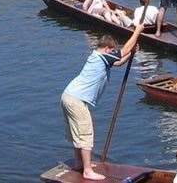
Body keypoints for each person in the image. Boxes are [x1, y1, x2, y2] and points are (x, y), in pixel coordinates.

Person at [60, 23, 145, 181]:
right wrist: (137, 31)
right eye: (113, 50)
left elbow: (119, 62)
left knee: (77, 132)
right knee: (85, 133)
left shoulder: (99, 57)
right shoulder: (101, 56)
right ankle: (87, 171)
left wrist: (132, 53)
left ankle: (80, 163)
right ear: (107, 49)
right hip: (76, 99)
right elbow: (122, 52)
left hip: (69, 96)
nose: (114, 53)